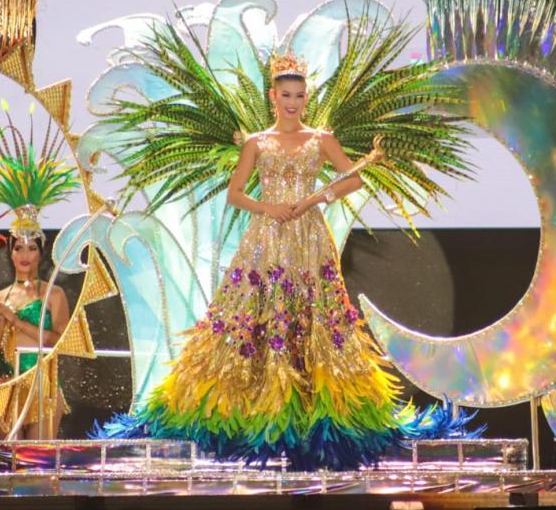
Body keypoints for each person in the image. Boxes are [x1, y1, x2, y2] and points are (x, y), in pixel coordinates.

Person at [100, 53, 460, 470]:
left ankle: (318, 416)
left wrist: (316, 197)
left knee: (315, 319)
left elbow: (354, 177)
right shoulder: (256, 142)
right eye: (286, 95)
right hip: (266, 238)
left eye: (300, 95)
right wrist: (267, 208)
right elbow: (235, 194)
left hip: (309, 238)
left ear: (307, 99)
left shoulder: (321, 138)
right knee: (253, 316)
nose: (293, 102)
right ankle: (247, 413)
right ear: (273, 96)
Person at [0, 214, 70, 439]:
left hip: (42, 384)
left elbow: (59, 341)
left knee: (38, 460)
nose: (25, 255)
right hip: (7, 383)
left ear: (41, 253)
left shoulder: (53, 294)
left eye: (32, 248)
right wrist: (1, 321)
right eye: (18, 248)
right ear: (10, 253)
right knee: (7, 461)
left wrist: (16, 322)